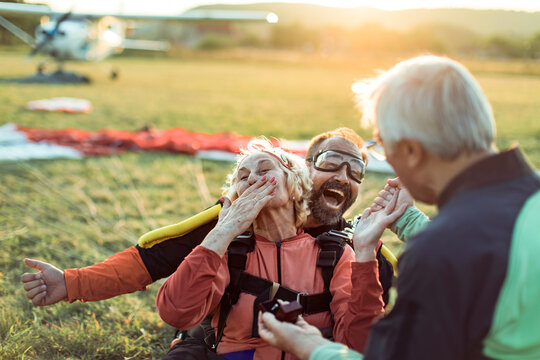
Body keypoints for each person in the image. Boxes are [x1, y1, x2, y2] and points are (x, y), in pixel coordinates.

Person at [257, 55, 540, 360]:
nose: (388, 159)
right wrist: (407, 221)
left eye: (381, 143)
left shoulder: (441, 251)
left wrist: (312, 348)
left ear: (411, 150)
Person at [21, 128, 398, 308]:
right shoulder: (238, 214)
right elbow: (151, 257)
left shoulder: (360, 243)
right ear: (302, 170)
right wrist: (71, 283)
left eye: (356, 173)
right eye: (331, 164)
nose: (343, 177)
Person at [155, 139, 407, 359]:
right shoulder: (227, 250)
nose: (253, 178)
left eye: (265, 169)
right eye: (243, 177)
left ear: (295, 186)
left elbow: (359, 346)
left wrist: (364, 253)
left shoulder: (335, 254)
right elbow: (176, 313)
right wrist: (221, 234)